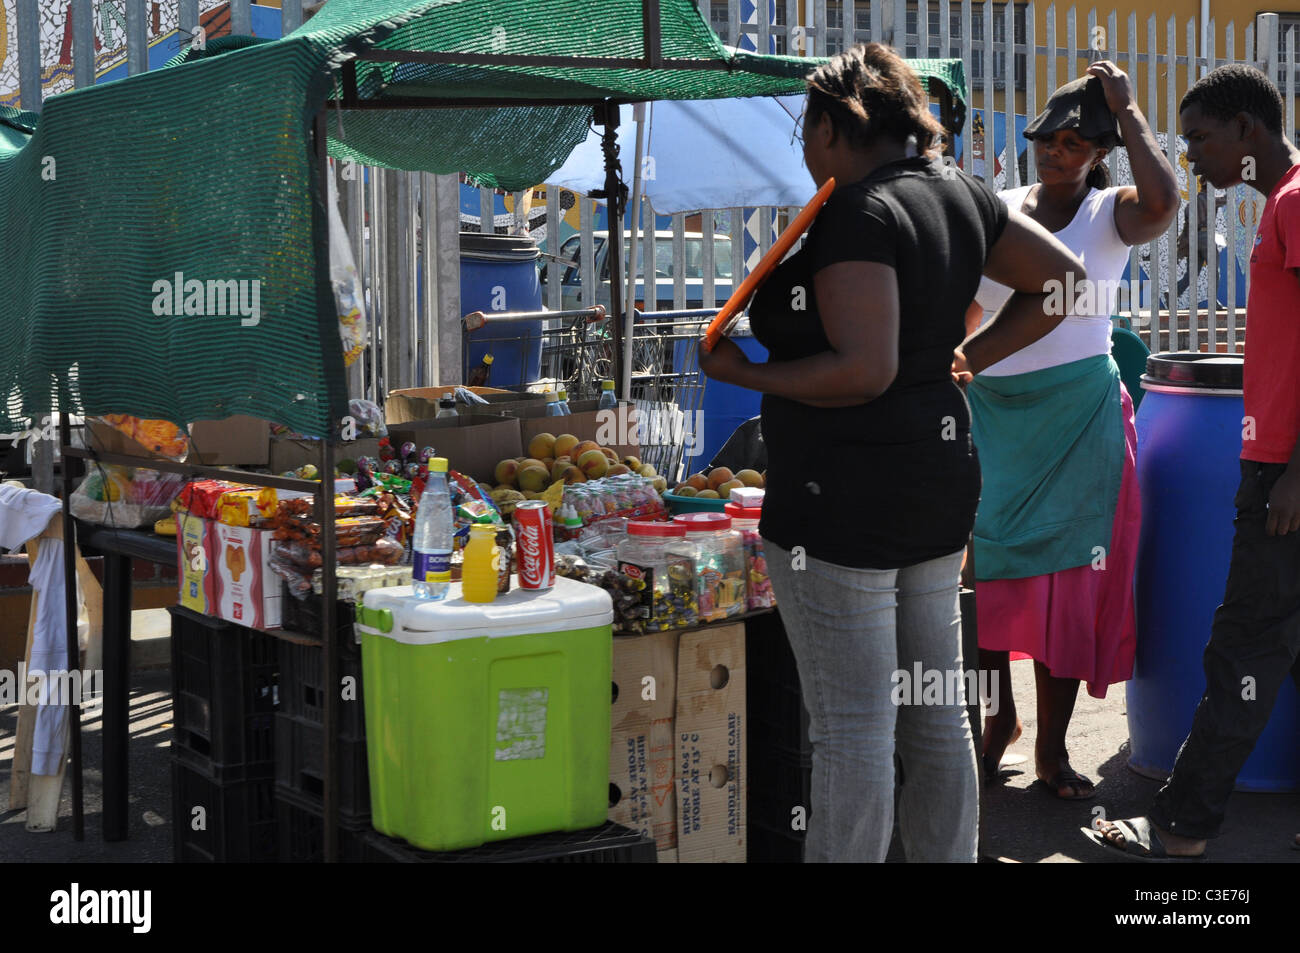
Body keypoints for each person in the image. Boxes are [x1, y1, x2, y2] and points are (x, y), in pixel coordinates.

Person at [698, 42, 1084, 863]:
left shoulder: (856, 215)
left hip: (842, 503)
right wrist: (964, 359)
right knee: (935, 713)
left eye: (809, 131)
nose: (804, 150)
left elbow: (862, 370)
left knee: (852, 730)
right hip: (936, 490)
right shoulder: (964, 194)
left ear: (838, 125)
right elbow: (1064, 283)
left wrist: (748, 370)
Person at [1084, 64, 1300, 859]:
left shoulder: (1295, 201)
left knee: (1244, 646)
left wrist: (1295, 473)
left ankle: (1180, 827)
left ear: (1248, 130)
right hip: (1273, 463)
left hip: (1283, 473)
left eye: (1202, 138)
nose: (1195, 154)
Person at [963, 64, 1178, 798]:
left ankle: (1051, 749)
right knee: (982, 575)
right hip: (994, 414)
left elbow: (1165, 202)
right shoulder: (1001, 207)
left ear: (1097, 150)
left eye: (1074, 141)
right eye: (1046, 140)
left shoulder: (1111, 212)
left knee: (1062, 585)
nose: (1056, 151)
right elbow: (970, 309)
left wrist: (1128, 110)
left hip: (1077, 416)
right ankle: (998, 722)